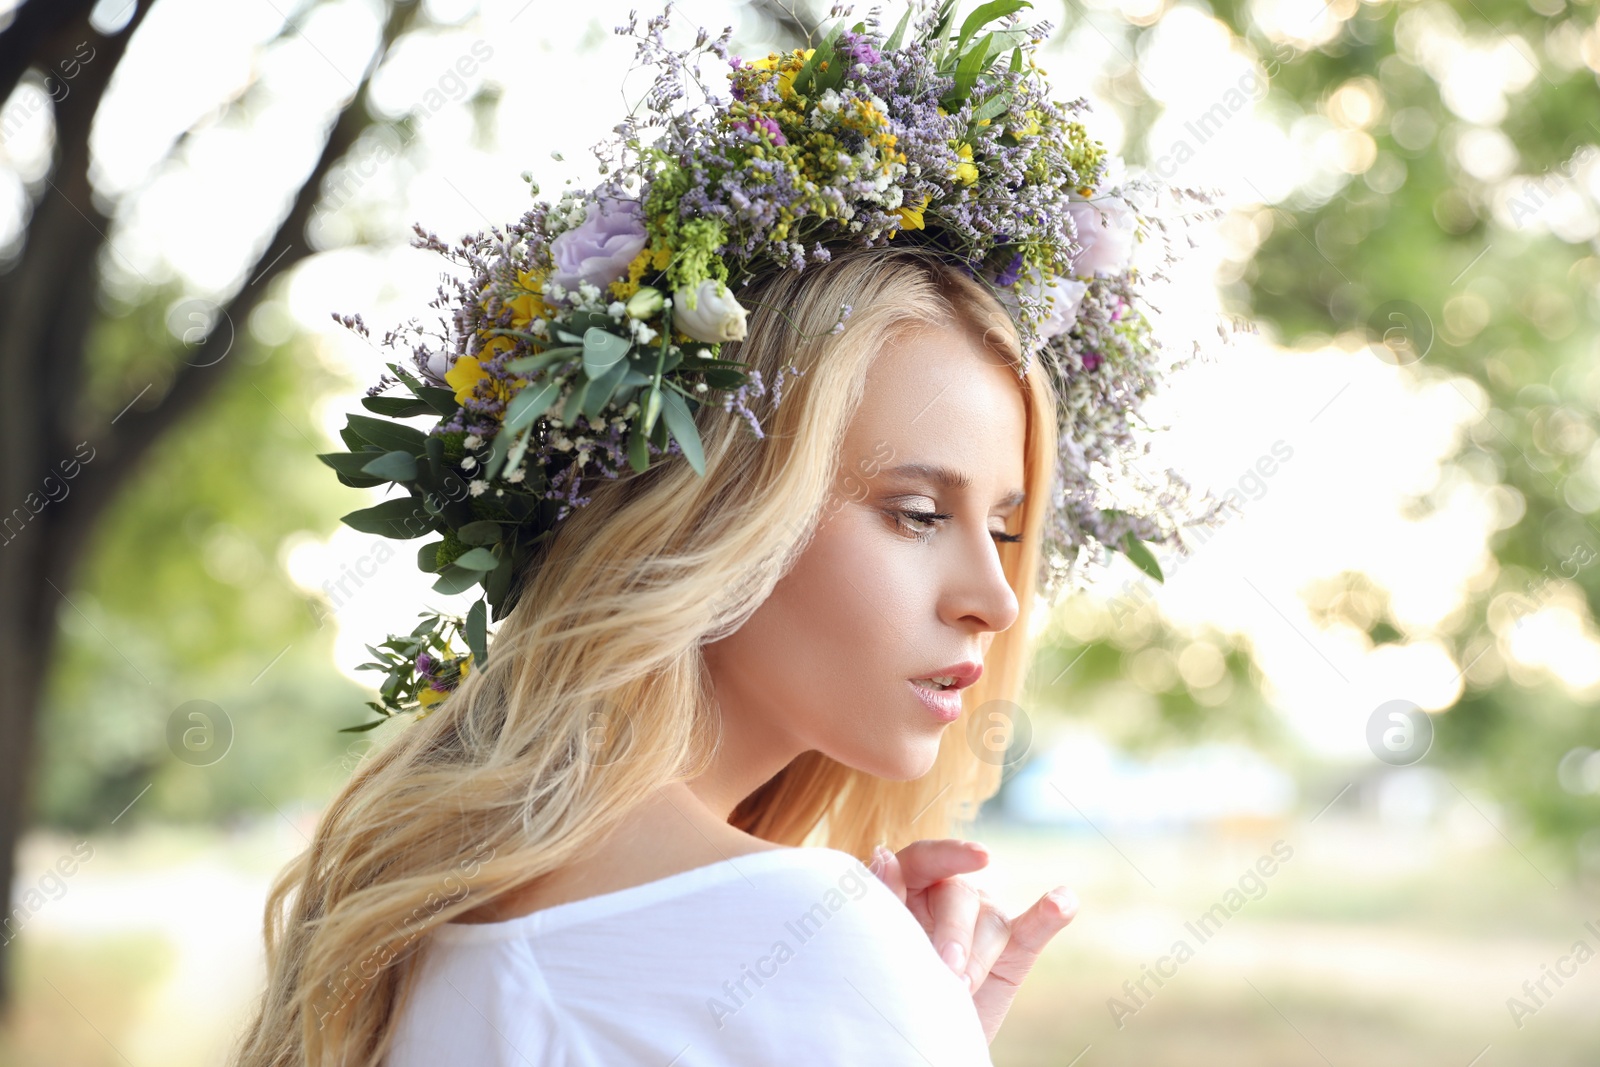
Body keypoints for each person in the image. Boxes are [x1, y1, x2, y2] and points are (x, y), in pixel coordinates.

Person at [230, 6, 1206, 1065]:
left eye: (1007, 528)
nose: (995, 596)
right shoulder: (807, 950)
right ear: (719, 510)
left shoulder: (432, 914)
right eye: (918, 514)